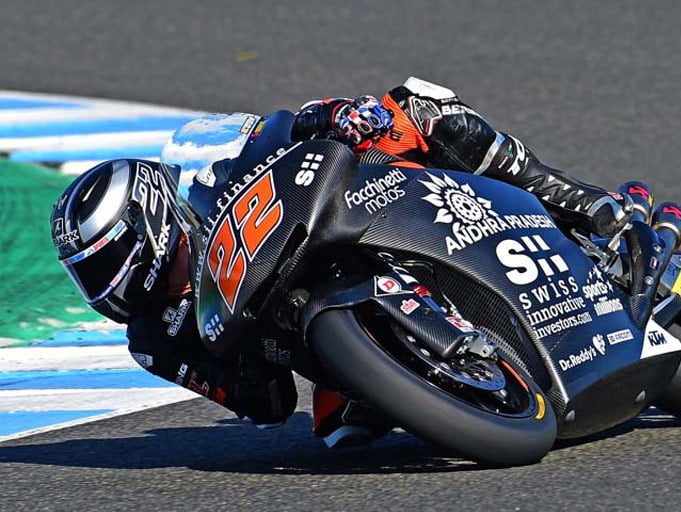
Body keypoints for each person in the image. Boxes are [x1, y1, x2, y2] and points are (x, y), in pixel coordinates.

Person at [51, 77, 630, 449]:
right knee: (340, 436)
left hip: (358, 218)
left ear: (151, 218)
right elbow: (270, 405)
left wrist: (338, 118)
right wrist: (235, 366)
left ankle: (571, 198)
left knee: (419, 111)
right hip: (329, 344)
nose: (111, 286)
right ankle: (450, 366)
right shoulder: (155, 339)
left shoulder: (210, 187)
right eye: (92, 276)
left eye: (109, 263)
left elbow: (278, 132)